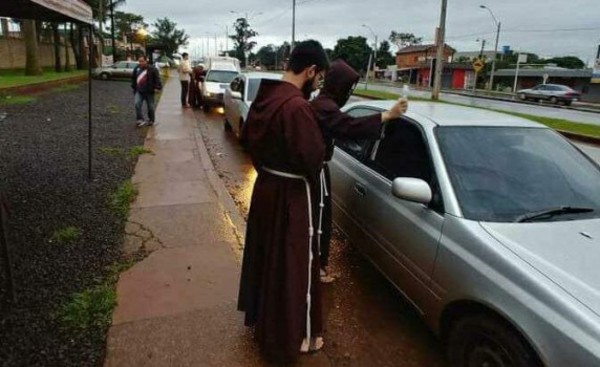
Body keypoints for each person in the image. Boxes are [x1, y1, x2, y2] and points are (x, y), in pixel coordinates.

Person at [237, 40, 330, 363]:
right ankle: (295, 336)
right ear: (310, 70)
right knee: (294, 266)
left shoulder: (266, 96)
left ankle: (265, 322)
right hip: (291, 196)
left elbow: (247, 139)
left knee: (268, 260)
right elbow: (312, 158)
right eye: (319, 78)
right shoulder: (296, 106)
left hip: (266, 189)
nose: (318, 85)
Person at [311, 59, 408, 283]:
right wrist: (387, 115)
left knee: (322, 220)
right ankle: (315, 268)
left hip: (319, 170)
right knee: (318, 222)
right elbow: (348, 126)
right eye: (348, 87)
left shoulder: (325, 104)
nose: (349, 92)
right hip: (316, 173)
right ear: (339, 85)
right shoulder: (325, 107)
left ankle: (318, 265)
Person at [131, 55, 162, 127]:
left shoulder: (152, 69)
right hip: (139, 91)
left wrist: (157, 87)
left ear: (146, 61)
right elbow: (133, 78)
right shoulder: (136, 68)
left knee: (150, 107)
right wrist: (134, 87)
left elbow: (157, 79)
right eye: (139, 61)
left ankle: (151, 120)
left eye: (142, 61)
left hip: (149, 91)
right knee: (137, 104)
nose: (140, 63)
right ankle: (140, 119)